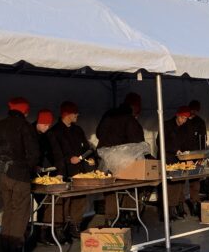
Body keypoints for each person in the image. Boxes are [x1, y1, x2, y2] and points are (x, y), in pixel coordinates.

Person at [0, 97, 40, 252]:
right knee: (20, 214)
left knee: (8, 213)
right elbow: (34, 155)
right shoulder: (26, 127)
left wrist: (1, 162)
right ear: (24, 110)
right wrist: (26, 167)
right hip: (20, 175)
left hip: (2, 176)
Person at [96, 92, 145, 225]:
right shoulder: (129, 119)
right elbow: (137, 141)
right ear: (134, 106)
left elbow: (98, 132)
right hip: (123, 160)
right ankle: (129, 213)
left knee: (110, 187)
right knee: (131, 185)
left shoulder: (108, 114)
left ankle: (111, 217)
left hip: (105, 158)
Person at [48, 102, 94, 240]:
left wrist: (90, 157)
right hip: (64, 170)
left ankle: (75, 225)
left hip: (79, 171)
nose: (77, 115)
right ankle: (59, 228)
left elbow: (86, 147)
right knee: (63, 200)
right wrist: (69, 159)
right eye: (75, 113)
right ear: (67, 114)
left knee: (79, 199)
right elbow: (53, 153)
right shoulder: (55, 131)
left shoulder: (78, 130)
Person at [159, 106, 203, 219]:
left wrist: (193, 155)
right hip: (168, 157)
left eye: (186, 119)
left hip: (182, 159)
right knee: (173, 184)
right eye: (182, 118)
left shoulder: (187, 126)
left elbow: (191, 142)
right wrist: (175, 150)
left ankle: (180, 206)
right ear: (177, 115)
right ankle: (170, 209)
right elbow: (160, 141)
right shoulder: (166, 125)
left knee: (182, 183)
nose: (184, 121)